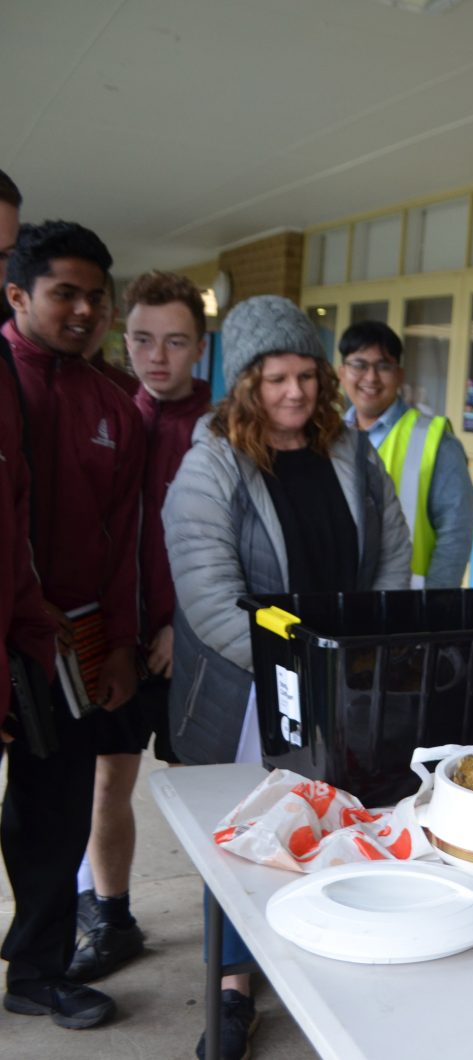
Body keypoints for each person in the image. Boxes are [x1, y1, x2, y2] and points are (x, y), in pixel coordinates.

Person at [164, 295, 410, 1060]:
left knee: (338, 818)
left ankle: (324, 957)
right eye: (275, 379)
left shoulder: (347, 450)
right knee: (248, 835)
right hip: (254, 687)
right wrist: (300, 671)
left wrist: (369, 654)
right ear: (244, 384)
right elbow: (208, 593)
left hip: (342, 682)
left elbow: (392, 548)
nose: (295, 394)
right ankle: (234, 988)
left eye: (306, 375)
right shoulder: (212, 461)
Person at [2, 217, 138, 1031]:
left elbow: (122, 538)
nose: (84, 310)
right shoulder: (5, 379)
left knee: (52, 812)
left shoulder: (108, 402)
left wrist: (118, 642)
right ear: (18, 294)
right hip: (9, 629)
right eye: (65, 294)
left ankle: (38, 968)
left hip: (66, 652)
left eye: (96, 295)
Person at [69, 272, 212, 984]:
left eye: (176, 341)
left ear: (200, 347)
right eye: (143, 339)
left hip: (199, 650)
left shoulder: (224, 427)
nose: (158, 357)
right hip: (120, 646)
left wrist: (183, 628)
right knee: (108, 786)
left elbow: (237, 550)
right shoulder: (109, 415)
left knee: (210, 797)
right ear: (125, 338)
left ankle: (230, 938)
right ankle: (112, 914)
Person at [337, 320, 473, 588]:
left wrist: (434, 602)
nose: (371, 377)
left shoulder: (436, 441)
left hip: (406, 602)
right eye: (359, 364)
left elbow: (455, 535)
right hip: (338, 599)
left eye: (383, 366)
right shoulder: (327, 437)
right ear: (342, 372)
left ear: (399, 375)